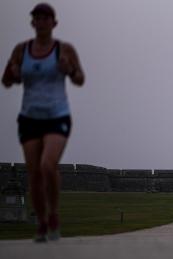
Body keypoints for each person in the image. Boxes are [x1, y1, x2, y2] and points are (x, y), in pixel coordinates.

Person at [1, 3, 85, 242]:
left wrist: (69, 70)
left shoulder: (65, 49)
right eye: (37, 17)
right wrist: (13, 74)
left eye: (46, 17)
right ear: (32, 23)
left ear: (54, 23)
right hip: (29, 117)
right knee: (34, 174)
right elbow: (6, 80)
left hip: (58, 115)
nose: (41, 21)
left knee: (48, 165)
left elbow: (79, 78)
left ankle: (54, 214)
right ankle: (42, 221)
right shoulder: (21, 50)